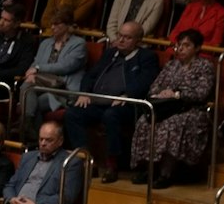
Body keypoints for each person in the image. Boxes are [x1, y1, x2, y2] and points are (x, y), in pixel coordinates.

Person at [65, 22, 160, 182]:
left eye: (127, 37)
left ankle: (112, 165)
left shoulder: (147, 57)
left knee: (111, 116)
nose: (121, 40)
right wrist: (85, 93)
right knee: (73, 113)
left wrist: (126, 95)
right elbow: (90, 75)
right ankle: (86, 159)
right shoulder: (110, 53)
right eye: (120, 36)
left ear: (138, 40)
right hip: (98, 101)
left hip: (127, 105)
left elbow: (146, 81)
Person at [21, 12, 87, 124]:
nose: (52, 27)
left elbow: (66, 66)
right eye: (52, 24)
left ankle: (26, 129)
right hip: (43, 86)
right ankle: (30, 131)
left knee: (32, 99)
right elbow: (35, 62)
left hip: (64, 91)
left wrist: (37, 69)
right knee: (28, 89)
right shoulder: (46, 43)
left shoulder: (79, 44)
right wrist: (31, 74)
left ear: (68, 26)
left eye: (56, 24)